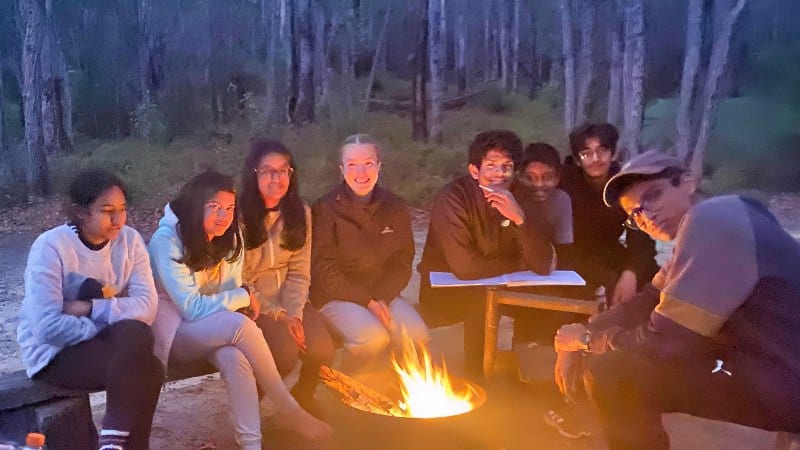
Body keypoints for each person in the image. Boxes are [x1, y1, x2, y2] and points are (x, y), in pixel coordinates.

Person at [553, 151, 800, 449]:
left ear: (688, 183)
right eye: (635, 215)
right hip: (769, 364)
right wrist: (586, 328)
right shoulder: (725, 216)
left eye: (653, 196)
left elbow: (663, 342)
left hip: (786, 379)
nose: (646, 216)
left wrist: (586, 341)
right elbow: (650, 298)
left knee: (615, 374)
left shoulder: (711, 219)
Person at [149, 170, 331, 450]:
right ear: (196, 205)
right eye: (215, 208)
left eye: (230, 208)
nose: (224, 216)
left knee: (236, 359)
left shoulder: (230, 237)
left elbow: (231, 289)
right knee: (240, 327)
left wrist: (238, 300)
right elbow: (192, 309)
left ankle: (251, 444)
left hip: (217, 328)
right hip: (176, 332)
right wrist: (242, 297)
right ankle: (290, 409)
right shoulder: (167, 240)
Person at [17, 169, 163, 450]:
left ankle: (112, 442)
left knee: (141, 343)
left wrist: (87, 307)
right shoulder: (51, 247)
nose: (118, 219)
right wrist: (108, 322)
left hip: (112, 345)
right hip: (55, 354)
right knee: (146, 363)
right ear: (81, 212)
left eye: (122, 209)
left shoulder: (130, 241)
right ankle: (121, 443)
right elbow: (47, 328)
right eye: (107, 211)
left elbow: (147, 307)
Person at [417, 130, 555, 375]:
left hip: (504, 286)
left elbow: (543, 264)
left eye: (507, 167)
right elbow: (465, 268)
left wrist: (520, 220)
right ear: (474, 171)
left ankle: (531, 377)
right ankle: (476, 379)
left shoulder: (520, 198)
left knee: (545, 301)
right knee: (482, 302)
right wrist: (519, 263)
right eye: (491, 166)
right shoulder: (453, 198)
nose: (499, 174)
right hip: (447, 291)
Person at [310, 134, 429, 373]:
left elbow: (402, 260)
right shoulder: (326, 208)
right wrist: (367, 302)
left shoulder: (394, 206)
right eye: (352, 164)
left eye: (368, 163)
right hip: (337, 297)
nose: (360, 172)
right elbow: (324, 269)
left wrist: (380, 298)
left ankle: (398, 391)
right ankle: (353, 389)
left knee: (417, 335)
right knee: (372, 338)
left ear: (379, 166)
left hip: (382, 293)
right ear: (342, 169)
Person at [240, 139, 334, 416]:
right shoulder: (238, 215)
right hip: (252, 302)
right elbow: (239, 279)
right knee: (284, 354)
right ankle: (248, 410)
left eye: (283, 170)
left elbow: (299, 270)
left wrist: (294, 313)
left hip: (290, 299)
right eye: (267, 170)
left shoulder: (299, 212)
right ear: (253, 173)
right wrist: (279, 316)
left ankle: (303, 394)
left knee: (323, 349)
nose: (276, 178)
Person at [559, 123, 659, 306]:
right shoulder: (565, 181)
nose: (595, 158)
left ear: (613, 153)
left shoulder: (627, 183)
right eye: (586, 153)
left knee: (651, 277)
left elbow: (641, 237)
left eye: (602, 150)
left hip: (608, 251)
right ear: (577, 159)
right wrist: (608, 278)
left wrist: (631, 273)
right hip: (570, 254)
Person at [513, 142, 574, 255]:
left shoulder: (560, 201)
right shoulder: (513, 199)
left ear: (557, 179)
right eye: (530, 177)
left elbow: (565, 249)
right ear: (520, 177)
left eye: (547, 177)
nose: (539, 184)